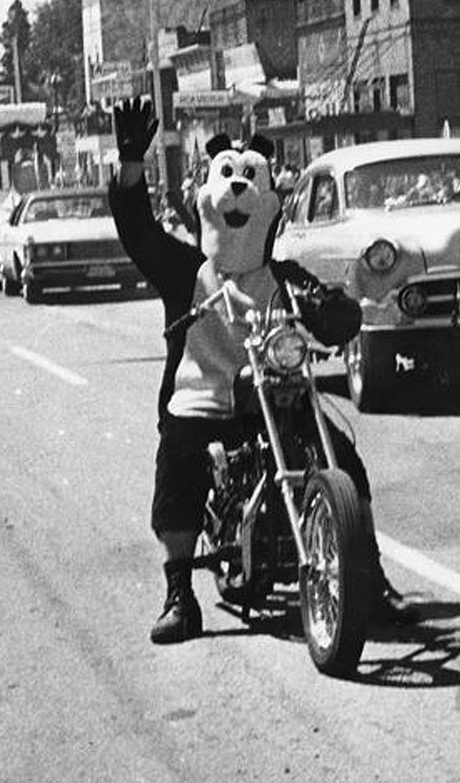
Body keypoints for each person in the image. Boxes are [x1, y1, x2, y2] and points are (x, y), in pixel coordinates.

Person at [107, 99, 411, 645]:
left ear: (270, 203)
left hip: (275, 395)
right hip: (201, 398)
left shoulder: (283, 275)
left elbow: (324, 305)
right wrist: (131, 162)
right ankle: (180, 592)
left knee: (343, 457)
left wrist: (342, 306)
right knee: (179, 457)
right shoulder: (184, 271)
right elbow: (137, 230)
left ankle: (368, 574)